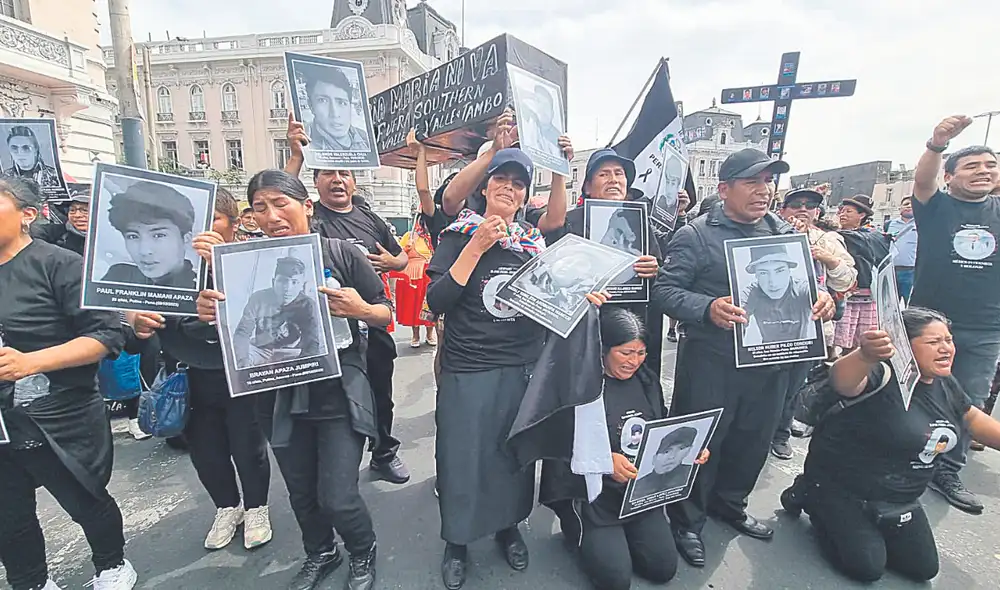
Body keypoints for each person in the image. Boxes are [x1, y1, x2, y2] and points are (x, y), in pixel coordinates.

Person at [426, 147, 608, 589]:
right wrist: (476, 247)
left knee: (514, 456)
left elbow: (552, 301)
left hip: (522, 367)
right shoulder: (458, 234)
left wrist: (580, 299)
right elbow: (437, 301)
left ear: (525, 194)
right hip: (468, 369)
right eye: (501, 179)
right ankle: (457, 540)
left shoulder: (533, 243)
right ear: (486, 187)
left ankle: (508, 527)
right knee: (461, 459)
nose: (509, 188)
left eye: (518, 183)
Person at [197, 170, 386, 590]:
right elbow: (236, 330)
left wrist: (360, 309)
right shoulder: (241, 267)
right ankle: (321, 552)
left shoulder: (340, 253)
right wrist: (210, 308)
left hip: (337, 392)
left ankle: (362, 548)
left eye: (281, 203)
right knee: (300, 490)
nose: (271, 216)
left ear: (307, 206)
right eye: (260, 208)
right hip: (277, 396)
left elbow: (384, 312)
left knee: (338, 494)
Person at [653, 148, 836, 568]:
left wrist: (825, 299)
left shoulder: (783, 233)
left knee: (753, 441)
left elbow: (807, 287)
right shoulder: (697, 235)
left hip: (772, 361)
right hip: (711, 364)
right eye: (752, 182)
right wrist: (707, 308)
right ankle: (685, 520)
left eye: (768, 182)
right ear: (724, 190)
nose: (763, 191)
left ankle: (730, 505)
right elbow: (665, 291)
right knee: (702, 442)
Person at [780, 307, 1000, 583]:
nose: (946, 348)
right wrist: (864, 355)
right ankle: (810, 494)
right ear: (904, 347)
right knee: (867, 567)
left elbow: (973, 418)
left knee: (923, 569)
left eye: (948, 340)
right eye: (934, 342)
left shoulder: (945, 383)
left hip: (900, 496)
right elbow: (842, 381)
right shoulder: (879, 374)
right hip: (844, 489)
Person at [0, 176, 137, 590]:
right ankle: (31, 581)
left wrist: (31, 362)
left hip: (55, 412)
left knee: (83, 496)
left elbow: (107, 336)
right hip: (2, 423)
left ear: (27, 215)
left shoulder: (60, 264)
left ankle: (112, 566)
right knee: (9, 514)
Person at [128, 187, 273, 552]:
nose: (201, 231)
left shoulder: (250, 260)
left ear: (234, 224)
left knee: (248, 447)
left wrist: (221, 265)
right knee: (205, 451)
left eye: (213, 220)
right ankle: (227, 507)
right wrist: (136, 321)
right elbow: (142, 319)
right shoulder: (164, 267)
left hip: (240, 371)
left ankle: (257, 508)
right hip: (188, 374)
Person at [284, 114, 411, 485]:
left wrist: (391, 262)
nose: (337, 179)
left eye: (344, 173)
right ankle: (337, 469)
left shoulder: (370, 217)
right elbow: (281, 200)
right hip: (325, 333)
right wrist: (296, 156)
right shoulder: (310, 217)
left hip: (371, 320)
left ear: (354, 181)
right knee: (338, 402)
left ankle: (384, 453)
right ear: (315, 182)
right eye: (328, 173)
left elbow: (401, 258)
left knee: (381, 395)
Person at [541, 308, 705, 590]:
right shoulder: (579, 386)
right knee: (615, 581)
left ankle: (624, 534)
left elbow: (662, 426)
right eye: (625, 353)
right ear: (603, 348)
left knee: (662, 568)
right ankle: (574, 525)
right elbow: (555, 444)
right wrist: (604, 461)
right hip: (592, 496)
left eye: (641, 353)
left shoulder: (646, 381)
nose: (634, 361)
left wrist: (691, 449)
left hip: (637, 492)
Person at [908, 115, 1000, 514]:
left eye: (991, 165)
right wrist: (937, 143)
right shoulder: (936, 206)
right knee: (912, 391)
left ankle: (947, 470)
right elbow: (922, 180)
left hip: (985, 326)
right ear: (949, 177)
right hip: (928, 320)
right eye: (972, 166)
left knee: (969, 398)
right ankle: (898, 454)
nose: (983, 171)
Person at [542, 149, 663, 375]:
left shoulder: (639, 221)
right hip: (583, 329)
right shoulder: (570, 221)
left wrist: (655, 269)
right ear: (588, 187)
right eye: (604, 174)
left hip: (627, 327)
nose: (613, 180)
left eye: (619, 173)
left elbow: (658, 275)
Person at [771, 188, 857, 459]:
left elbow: (847, 281)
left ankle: (780, 434)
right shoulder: (767, 232)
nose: (803, 210)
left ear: (818, 212)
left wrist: (828, 259)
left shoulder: (828, 240)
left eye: (810, 206)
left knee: (794, 385)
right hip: (769, 325)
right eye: (796, 204)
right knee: (765, 385)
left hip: (809, 328)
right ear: (783, 210)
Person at [101, 181, 198, 289]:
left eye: (158, 235)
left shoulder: (203, 286)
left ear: (186, 238)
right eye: (133, 236)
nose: (144, 251)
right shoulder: (118, 276)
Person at [231, 255, 323, 369]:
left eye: (294, 282)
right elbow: (243, 332)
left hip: (292, 352)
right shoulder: (258, 298)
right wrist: (242, 361)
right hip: (261, 350)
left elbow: (312, 344)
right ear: (273, 281)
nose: (287, 288)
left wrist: (300, 368)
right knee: (235, 357)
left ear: (301, 286)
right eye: (283, 281)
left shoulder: (308, 305)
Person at [834, 194, 888, 353]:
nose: (843, 214)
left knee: (860, 338)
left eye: (848, 211)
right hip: (843, 293)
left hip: (865, 293)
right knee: (837, 337)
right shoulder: (837, 235)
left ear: (862, 215)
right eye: (842, 211)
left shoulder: (871, 235)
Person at [740, 243, 817, 346]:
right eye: (763, 273)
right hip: (766, 353)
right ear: (756, 275)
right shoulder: (751, 293)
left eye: (780, 271)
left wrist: (824, 298)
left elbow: (816, 291)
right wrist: (735, 321)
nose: (773, 282)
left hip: (803, 351)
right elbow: (738, 313)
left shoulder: (801, 288)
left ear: (789, 270)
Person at [299, 64, 370, 152]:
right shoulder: (304, 138)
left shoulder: (365, 138)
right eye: (323, 101)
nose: (335, 114)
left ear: (350, 105)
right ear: (311, 106)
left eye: (342, 102)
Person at [631, 427, 699, 499]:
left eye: (681, 448)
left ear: (689, 450)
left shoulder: (690, 472)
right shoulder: (638, 486)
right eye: (666, 451)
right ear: (654, 458)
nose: (672, 456)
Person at [885, 196, 917, 301]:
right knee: (890, 303)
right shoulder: (889, 224)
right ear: (900, 208)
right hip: (891, 270)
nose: (909, 206)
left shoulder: (922, 224)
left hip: (912, 271)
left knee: (911, 303)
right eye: (906, 204)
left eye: (912, 204)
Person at [518, 84, 562, 158]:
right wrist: (530, 95)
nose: (542, 108)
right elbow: (518, 93)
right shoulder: (531, 123)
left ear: (552, 113)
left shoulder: (557, 138)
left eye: (546, 105)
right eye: (538, 102)